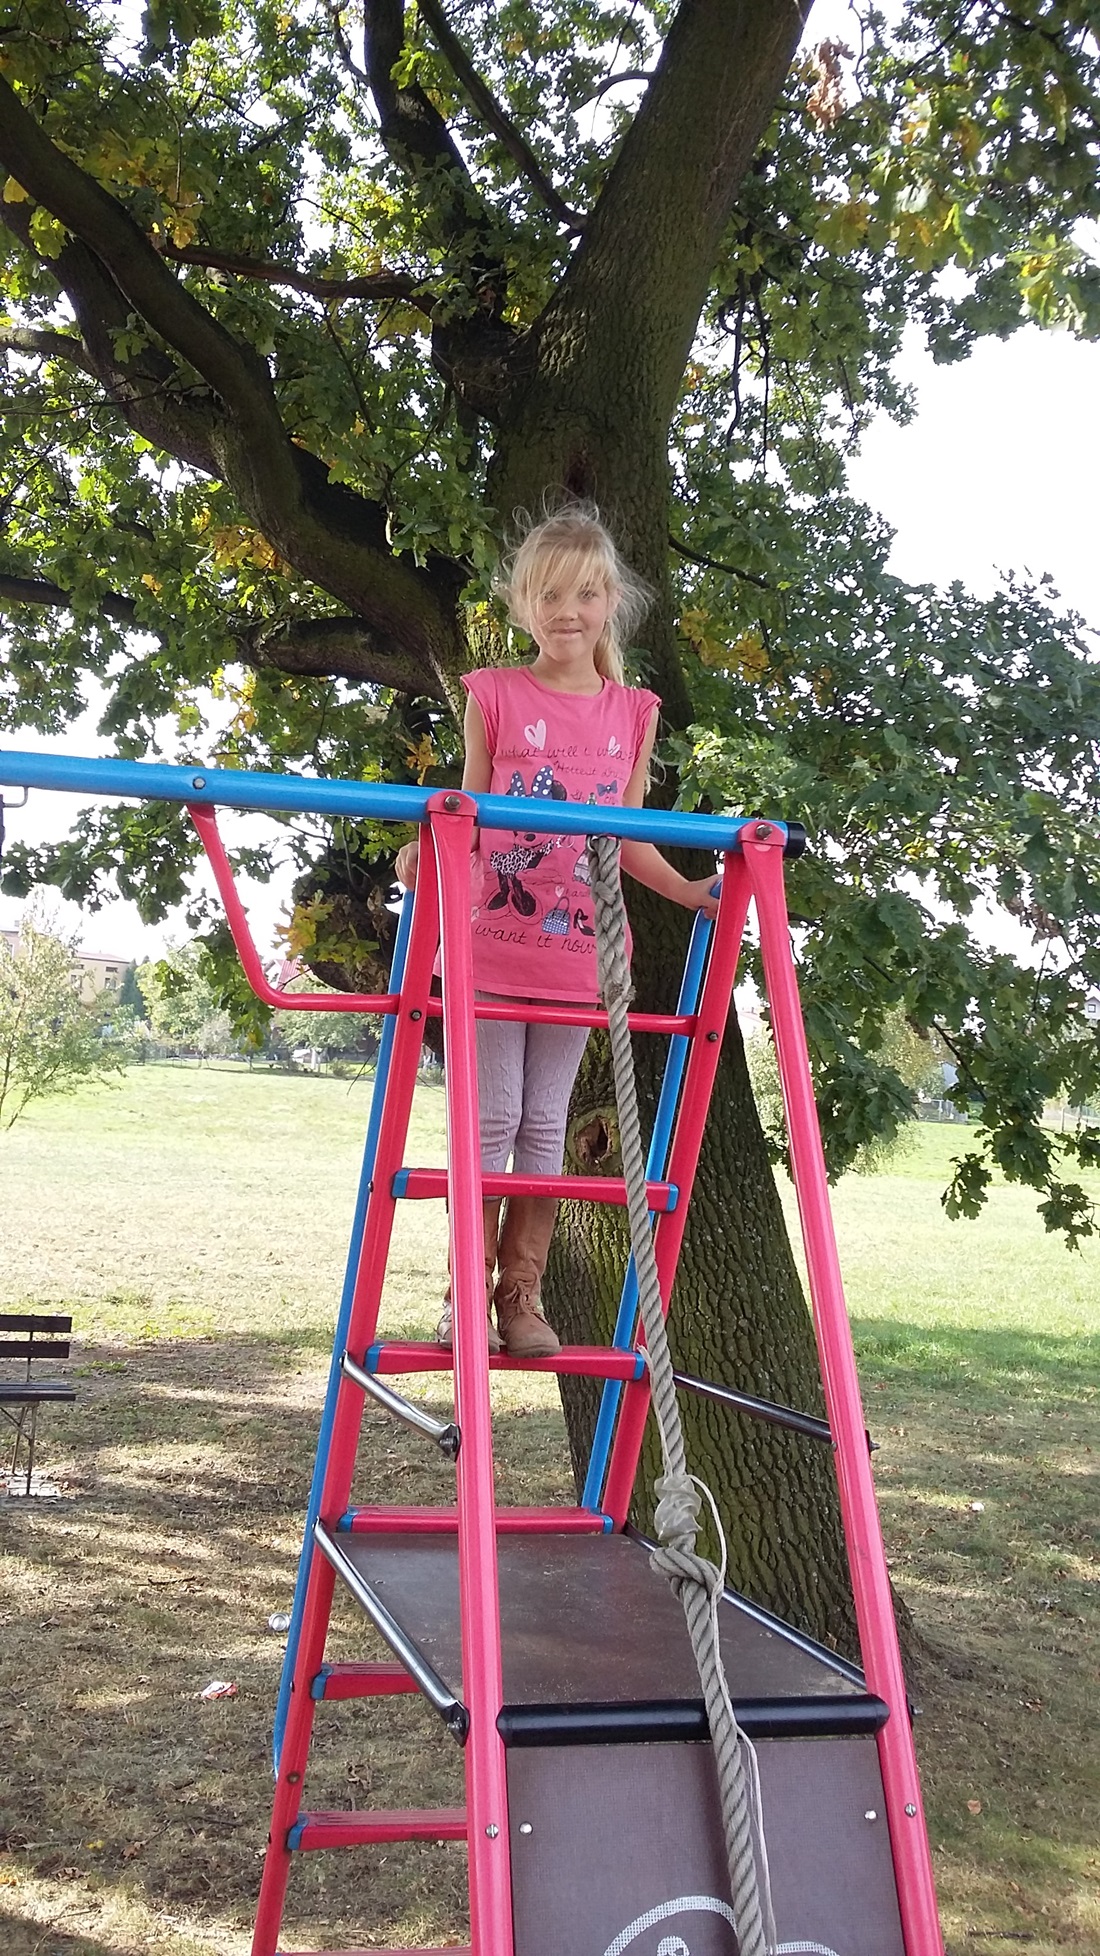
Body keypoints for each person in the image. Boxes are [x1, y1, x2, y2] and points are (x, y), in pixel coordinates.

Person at [395, 502, 718, 1359]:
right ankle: (466, 1297)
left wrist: (689, 892)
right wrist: (427, 850)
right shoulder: (495, 695)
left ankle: (521, 1298)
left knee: (544, 1127)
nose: (567, 612)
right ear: (521, 605)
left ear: (611, 603)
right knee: (494, 1117)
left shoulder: (634, 713)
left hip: (581, 952)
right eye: (548, 595)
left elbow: (627, 836)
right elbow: (465, 813)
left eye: (585, 594)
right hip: (494, 945)